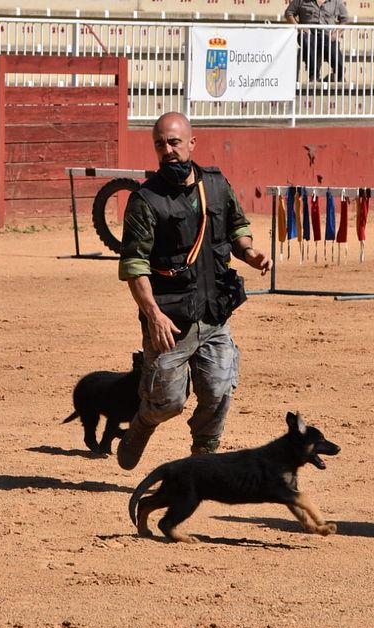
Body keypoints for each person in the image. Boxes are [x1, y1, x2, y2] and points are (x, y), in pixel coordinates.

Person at [115, 112, 271, 471]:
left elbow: (237, 226)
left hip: (214, 312)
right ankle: (143, 422)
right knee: (168, 401)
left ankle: (204, 458)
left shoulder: (215, 185)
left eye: (174, 142)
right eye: (160, 144)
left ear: (191, 143)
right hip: (171, 320)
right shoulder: (145, 200)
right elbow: (134, 266)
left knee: (218, 390)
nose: (168, 150)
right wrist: (153, 315)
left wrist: (249, 252)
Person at [284, 0, 349, 83]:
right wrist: (299, 27)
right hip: (309, 34)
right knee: (307, 41)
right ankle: (313, 77)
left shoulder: (335, 2)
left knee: (334, 53)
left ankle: (339, 75)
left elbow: (345, 19)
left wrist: (337, 33)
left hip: (327, 35)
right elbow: (288, 13)